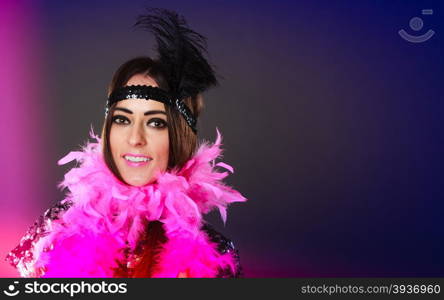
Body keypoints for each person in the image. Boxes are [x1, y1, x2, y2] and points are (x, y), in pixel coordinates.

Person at [6, 8, 246, 278]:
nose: (135, 138)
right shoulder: (58, 228)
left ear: (180, 135)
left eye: (156, 123)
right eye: (122, 119)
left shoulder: (211, 254)